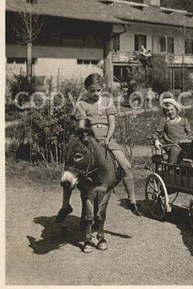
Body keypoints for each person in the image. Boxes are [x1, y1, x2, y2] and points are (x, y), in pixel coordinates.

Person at [56, 73, 140, 222]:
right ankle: (65, 205)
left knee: (126, 165)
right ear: (87, 89)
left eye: (98, 90)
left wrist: (108, 139)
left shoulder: (108, 102)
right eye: (92, 90)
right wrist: (86, 140)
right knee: (71, 169)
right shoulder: (81, 104)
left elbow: (112, 123)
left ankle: (131, 200)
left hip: (107, 138)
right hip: (90, 139)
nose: (95, 93)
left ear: (102, 89)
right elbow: (81, 126)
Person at [153, 98, 193, 163]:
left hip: (183, 144)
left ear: (176, 109)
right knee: (175, 149)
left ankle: (190, 170)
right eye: (167, 110)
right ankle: (172, 169)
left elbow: (190, 134)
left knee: (192, 151)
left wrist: (188, 141)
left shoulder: (184, 120)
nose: (170, 112)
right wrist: (156, 140)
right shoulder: (164, 120)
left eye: (172, 109)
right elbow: (156, 133)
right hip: (171, 145)